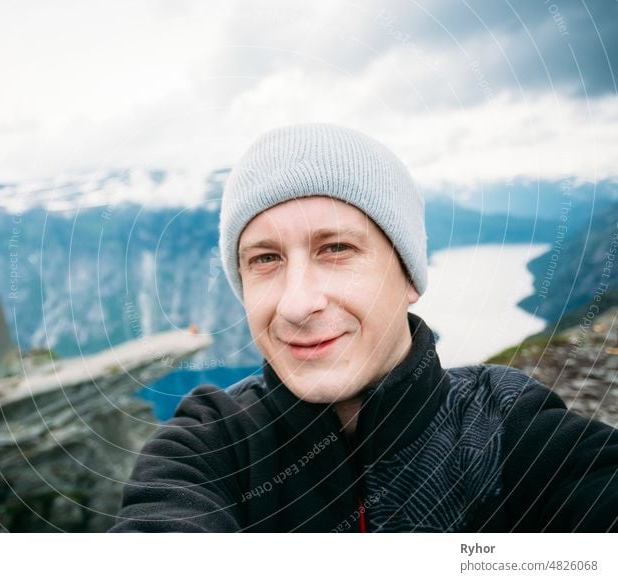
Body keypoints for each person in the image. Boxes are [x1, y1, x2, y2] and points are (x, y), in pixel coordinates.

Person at [109, 123, 618, 532]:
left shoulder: (511, 430)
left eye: (336, 249)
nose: (296, 303)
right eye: (264, 258)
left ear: (409, 275)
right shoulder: (210, 446)